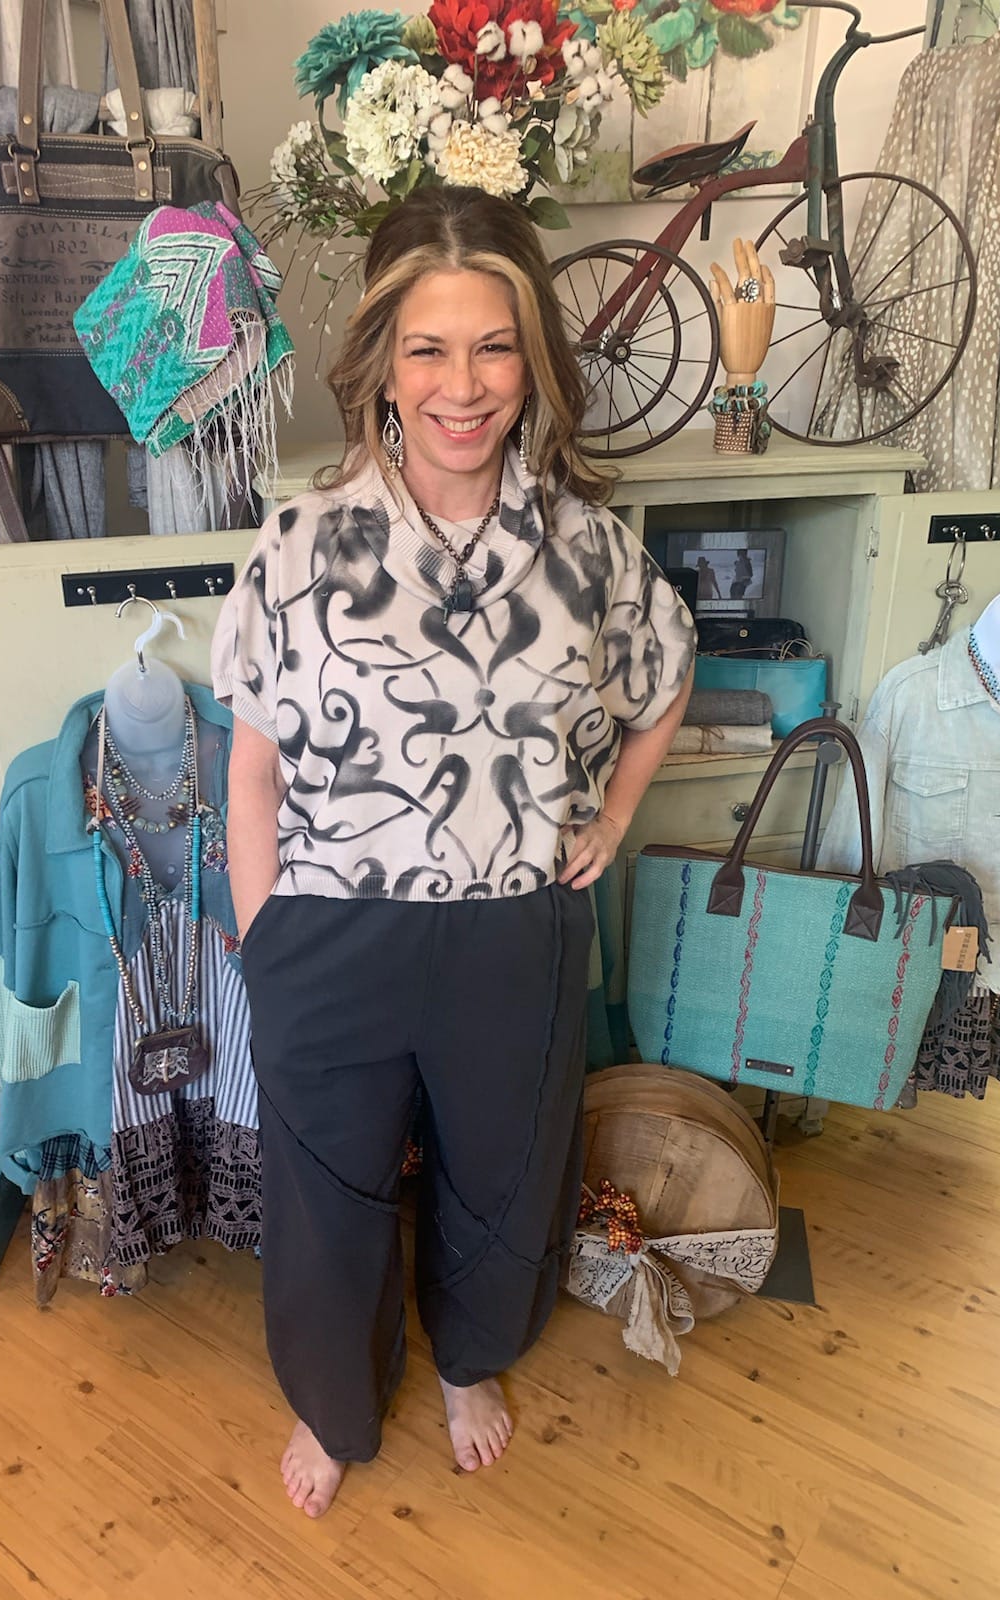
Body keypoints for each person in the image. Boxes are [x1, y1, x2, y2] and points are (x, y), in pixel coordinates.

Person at [212, 185, 695, 1519]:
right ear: (383, 362)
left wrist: (611, 820)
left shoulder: (591, 552)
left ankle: (472, 1362)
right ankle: (334, 1400)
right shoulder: (297, 545)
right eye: (429, 349)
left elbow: (664, 686)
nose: (463, 386)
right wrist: (261, 933)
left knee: (505, 1174)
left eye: (495, 347)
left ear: (533, 361)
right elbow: (250, 762)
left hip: (513, 930)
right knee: (327, 1191)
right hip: (328, 929)